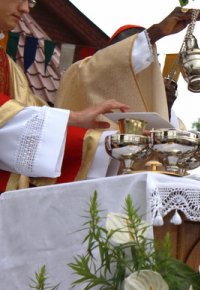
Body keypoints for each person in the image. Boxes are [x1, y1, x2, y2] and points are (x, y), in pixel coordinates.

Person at [0, 0, 129, 192]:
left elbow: (29, 114)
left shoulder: (7, 63)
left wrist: (111, 141)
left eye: (31, 2)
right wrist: (74, 118)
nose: (26, 9)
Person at [56, 7, 200, 129]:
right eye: (142, 60)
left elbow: (175, 143)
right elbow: (112, 65)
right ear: (112, 54)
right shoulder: (80, 73)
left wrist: (164, 108)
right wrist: (157, 32)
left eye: (153, 65)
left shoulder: (155, 96)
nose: (150, 73)